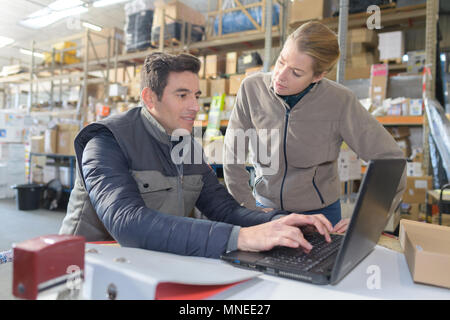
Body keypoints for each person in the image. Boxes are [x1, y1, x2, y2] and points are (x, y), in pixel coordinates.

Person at [59, 52, 335, 259]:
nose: (194, 107)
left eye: (196, 95)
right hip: (84, 269)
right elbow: (128, 223)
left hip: (151, 262)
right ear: (150, 98)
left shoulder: (186, 145)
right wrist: (240, 237)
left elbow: (224, 209)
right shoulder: (106, 141)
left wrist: (277, 221)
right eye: (182, 96)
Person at [223, 21, 406, 233]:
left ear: (318, 76)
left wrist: (369, 217)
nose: (280, 76)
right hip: (265, 209)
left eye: (296, 73)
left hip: (320, 217)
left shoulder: (340, 101)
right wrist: (248, 207)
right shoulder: (251, 90)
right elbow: (232, 155)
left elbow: (391, 161)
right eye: (281, 62)